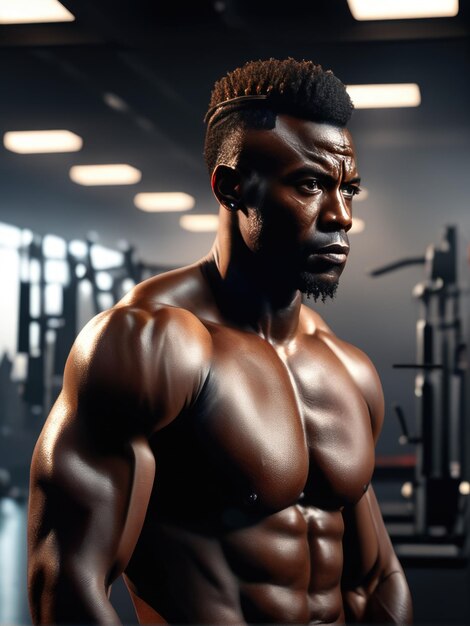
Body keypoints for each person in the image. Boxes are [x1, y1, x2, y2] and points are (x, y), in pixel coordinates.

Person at [28, 58, 413, 625]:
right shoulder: (150, 346)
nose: (340, 216)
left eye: (347, 189)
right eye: (310, 184)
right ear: (231, 187)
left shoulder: (345, 368)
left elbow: (376, 577)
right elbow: (66, 586)